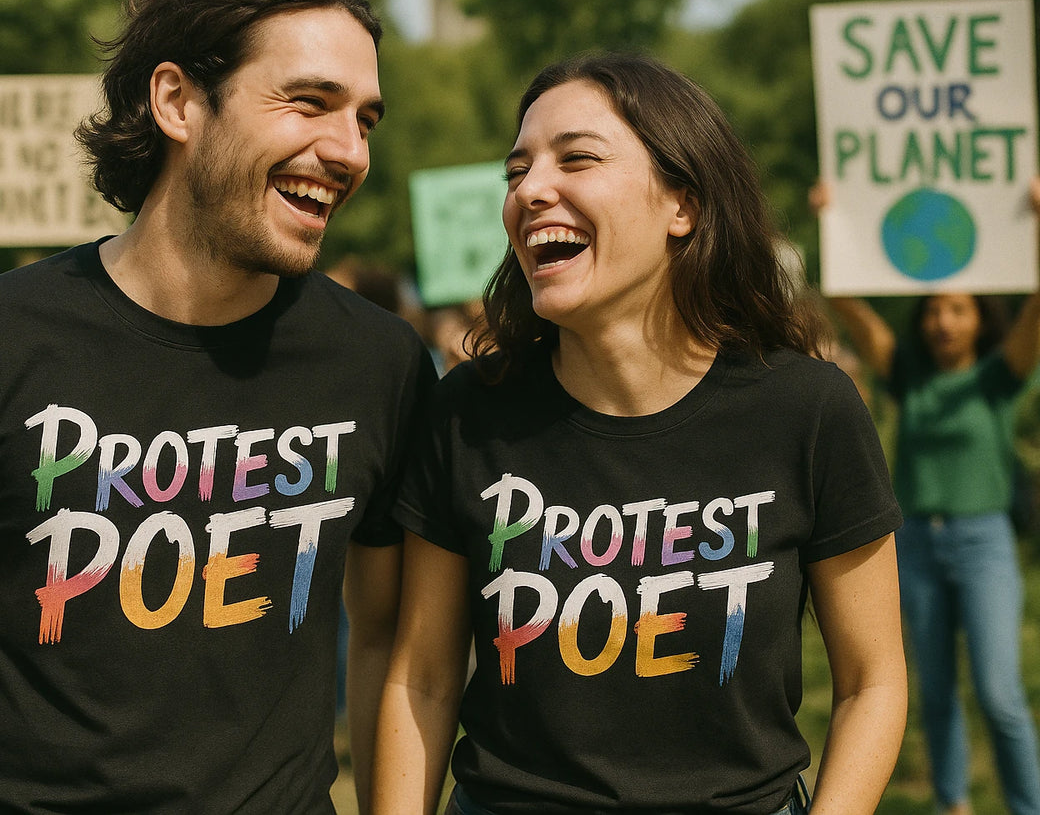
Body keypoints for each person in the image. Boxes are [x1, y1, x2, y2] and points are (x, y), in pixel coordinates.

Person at [0, 0, 434, 811]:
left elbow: (382, 642)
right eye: (308, 102)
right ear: (178, 101)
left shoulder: (379, 362)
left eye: (364, 118)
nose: (348, 150)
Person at [373, 52, 908, 815]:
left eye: (577, 158)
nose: (530, 190)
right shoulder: (467, 413)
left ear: (681, 205)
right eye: (516, 170)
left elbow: (872, 682)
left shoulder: (808, 408)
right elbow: (419, 678)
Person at [821, 178, 1040, 815]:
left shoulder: (998, 376)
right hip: (913, 543)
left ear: (980, 318)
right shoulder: (906, 373)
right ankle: (953, 805)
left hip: (984, 543)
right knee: (934, 692)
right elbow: (846, 302)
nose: (944, 320)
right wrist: (837, 220)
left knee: (999, 694)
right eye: (935, 309)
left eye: (959, 309)